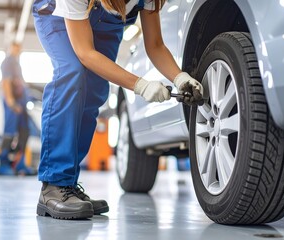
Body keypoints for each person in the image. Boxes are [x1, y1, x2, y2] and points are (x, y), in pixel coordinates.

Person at [32, 0, 203, 220]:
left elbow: (156, 45)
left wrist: (180, 78)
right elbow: (85, 53)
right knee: (72, 73)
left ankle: (67, 185)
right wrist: (140, 85)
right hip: (56, 16)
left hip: (106, 24)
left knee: (95, 89)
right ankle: (53, 185)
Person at [0, 42, 37, 176]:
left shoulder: (16, 63)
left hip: (21, 102)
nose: (18, 49)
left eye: (19, 46)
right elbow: (6, 82)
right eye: (15, 46)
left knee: (24, 132)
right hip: (13, 101)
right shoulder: (8, 61)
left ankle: (20, 164)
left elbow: (20, 82)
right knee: (9, 132)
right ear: (10, 47)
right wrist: (11, 101)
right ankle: (3, 164)